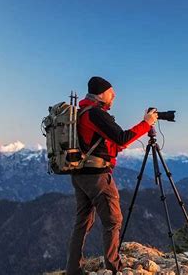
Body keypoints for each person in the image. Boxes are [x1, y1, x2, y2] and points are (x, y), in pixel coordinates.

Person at [66, 76, 158, 275]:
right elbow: (121, 137)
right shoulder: (96, 113)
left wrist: (113, 149)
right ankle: (114, 268)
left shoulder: (82, 112)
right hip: (97, 177)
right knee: (113, 220)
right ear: (100, 93)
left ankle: (73, 269)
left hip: (79, 175)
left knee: (82, 222)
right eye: (111, 92)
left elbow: (100, 142)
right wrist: (146, 123)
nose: (114, 96)